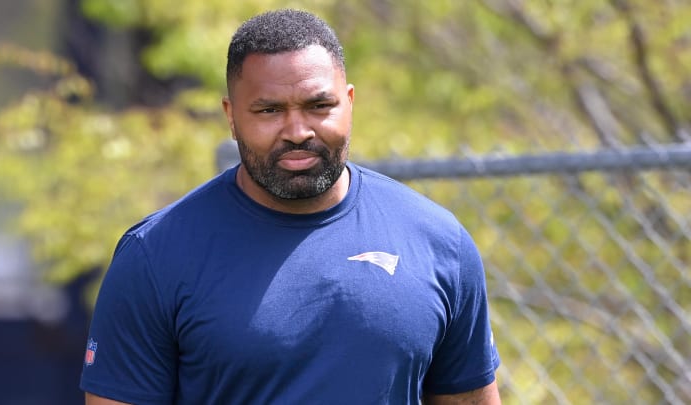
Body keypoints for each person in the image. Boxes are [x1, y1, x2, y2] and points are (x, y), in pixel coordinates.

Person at [80, 8, 501, 405]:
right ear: (231, 116)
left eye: (320, 106)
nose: (297, 131)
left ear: (350, 102)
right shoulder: (155, 256)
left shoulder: (438, 242)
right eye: (269, 110)